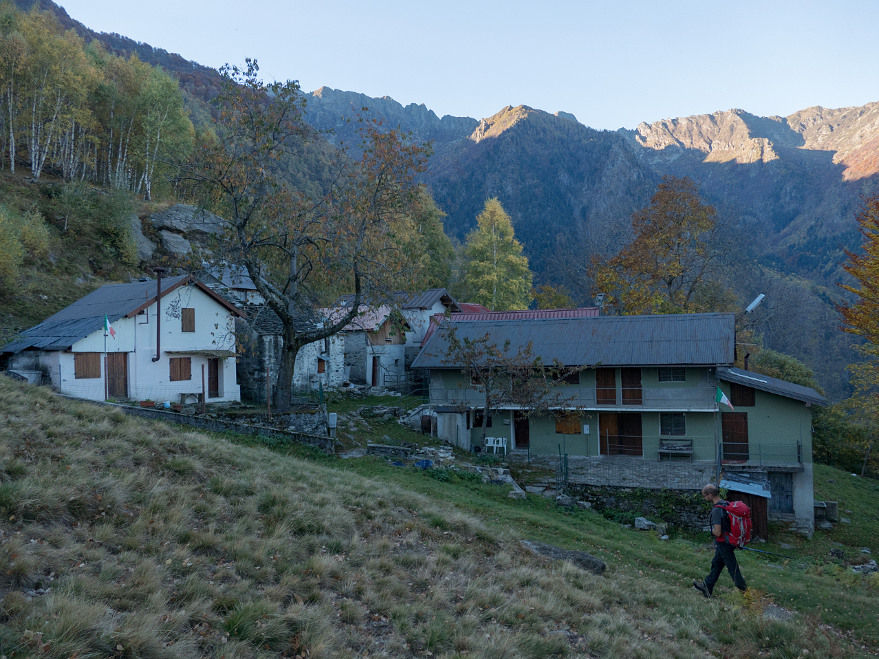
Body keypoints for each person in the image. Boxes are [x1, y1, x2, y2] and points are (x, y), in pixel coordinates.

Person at [693, 484, 747, 598]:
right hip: (728, 541)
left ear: (710, 495)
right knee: (716, 564)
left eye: (704, 496)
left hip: (724, 544)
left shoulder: (717, 510)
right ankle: (707, 587)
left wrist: (711, 530)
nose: (704, 498)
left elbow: (717, 532)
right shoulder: (726, 504)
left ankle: (746, 595)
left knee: (733, 570)